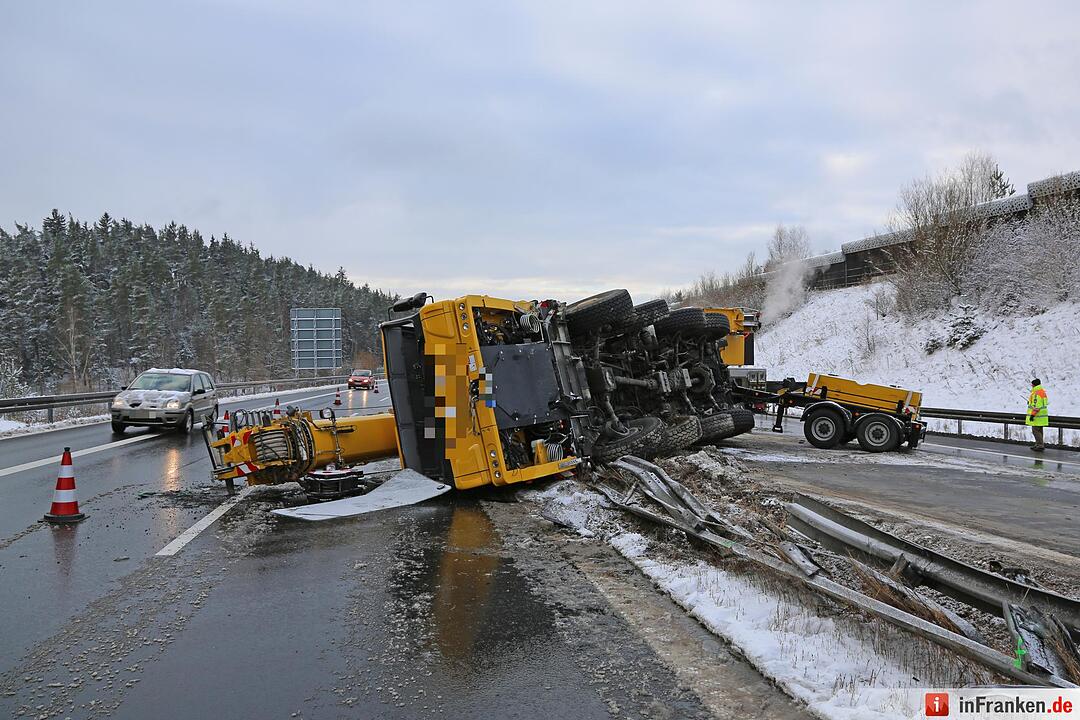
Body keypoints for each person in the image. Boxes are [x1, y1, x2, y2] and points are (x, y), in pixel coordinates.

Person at [1026, 378, 1049, 451]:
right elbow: (1040, 403)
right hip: (1042, 416)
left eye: (1032, 384)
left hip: (1037, 416)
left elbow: (1036, 406)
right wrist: (1030, 402)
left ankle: (1040, 445)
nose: (1031, 385)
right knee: (1039, 431)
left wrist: (1032, 415)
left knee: (1035, 431)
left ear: (1034, 384)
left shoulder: (1036, 393)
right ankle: (1038, 444)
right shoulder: (1042, 392)